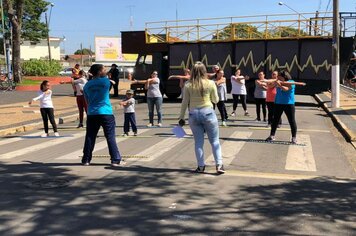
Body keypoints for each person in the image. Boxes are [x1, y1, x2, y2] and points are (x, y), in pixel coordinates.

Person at [178, 61, 225, 174]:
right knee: (214, 141)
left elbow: (185, 102)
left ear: (193, 71)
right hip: (208, 112)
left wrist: (181, 117)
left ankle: (200, 166)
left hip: (193, 114)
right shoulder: (210, 83)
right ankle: (219, 165)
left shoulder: (188, 84)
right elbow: (215, 100)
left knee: (198, 142)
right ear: (204, 71)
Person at [82, 64, 122, 167]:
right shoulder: (106, 81)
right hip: (106, 112)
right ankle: (115, 159)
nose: (106, 71)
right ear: (100, 72)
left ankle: (86, 159)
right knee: (110, 136)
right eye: (104, 69)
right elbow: (111, 83)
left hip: (92, 113)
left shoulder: (87, 85)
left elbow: (87, 101)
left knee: (90, 137)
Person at [265, 70, 306, 144]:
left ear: (284, 77)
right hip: (278, 103)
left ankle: (293, 138)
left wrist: (279, 85)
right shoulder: (278, 81)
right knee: (275, 120)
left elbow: (285, 89)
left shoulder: (291, 82)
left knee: (292, 121)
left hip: (289, 104)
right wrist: (270, 82)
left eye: (279, 77)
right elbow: (270, 84)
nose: (278, 78)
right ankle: (272, 135)